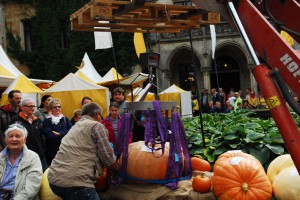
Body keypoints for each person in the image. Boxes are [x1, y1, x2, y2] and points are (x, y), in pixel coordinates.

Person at [48, 102, 118, 200]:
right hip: (76, 183)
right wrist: (117, 168)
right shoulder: (96, 126)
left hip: (54, 180)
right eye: (101, 116)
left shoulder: (75, 126)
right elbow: (108, 158)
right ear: (97, 114)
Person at [0, 123, 42, 199]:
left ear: (24, 139)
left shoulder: (32, 157)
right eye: (10, 136)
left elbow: (32, 188)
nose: (14, 139)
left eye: (18, 136)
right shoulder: (0, 157)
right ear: (6, 140)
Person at [9, 98, 47, 171]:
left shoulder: (37, 120)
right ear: (22, 107)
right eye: (30, 106)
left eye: (34, 106)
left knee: (42, 174)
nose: (32, 108)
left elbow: (42, 136)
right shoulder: (16, 120)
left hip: (40, 153)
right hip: (23, 154)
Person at [43, 98, 72, 166]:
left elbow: (71, 132)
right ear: (50, 108)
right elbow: (49, 136)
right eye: (55, 107)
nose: (57, 108)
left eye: (59, 106)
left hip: (65, 150)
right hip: (52, 152)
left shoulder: (65, 119)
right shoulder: (47, 121)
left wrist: (60, 134)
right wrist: (64, 133)